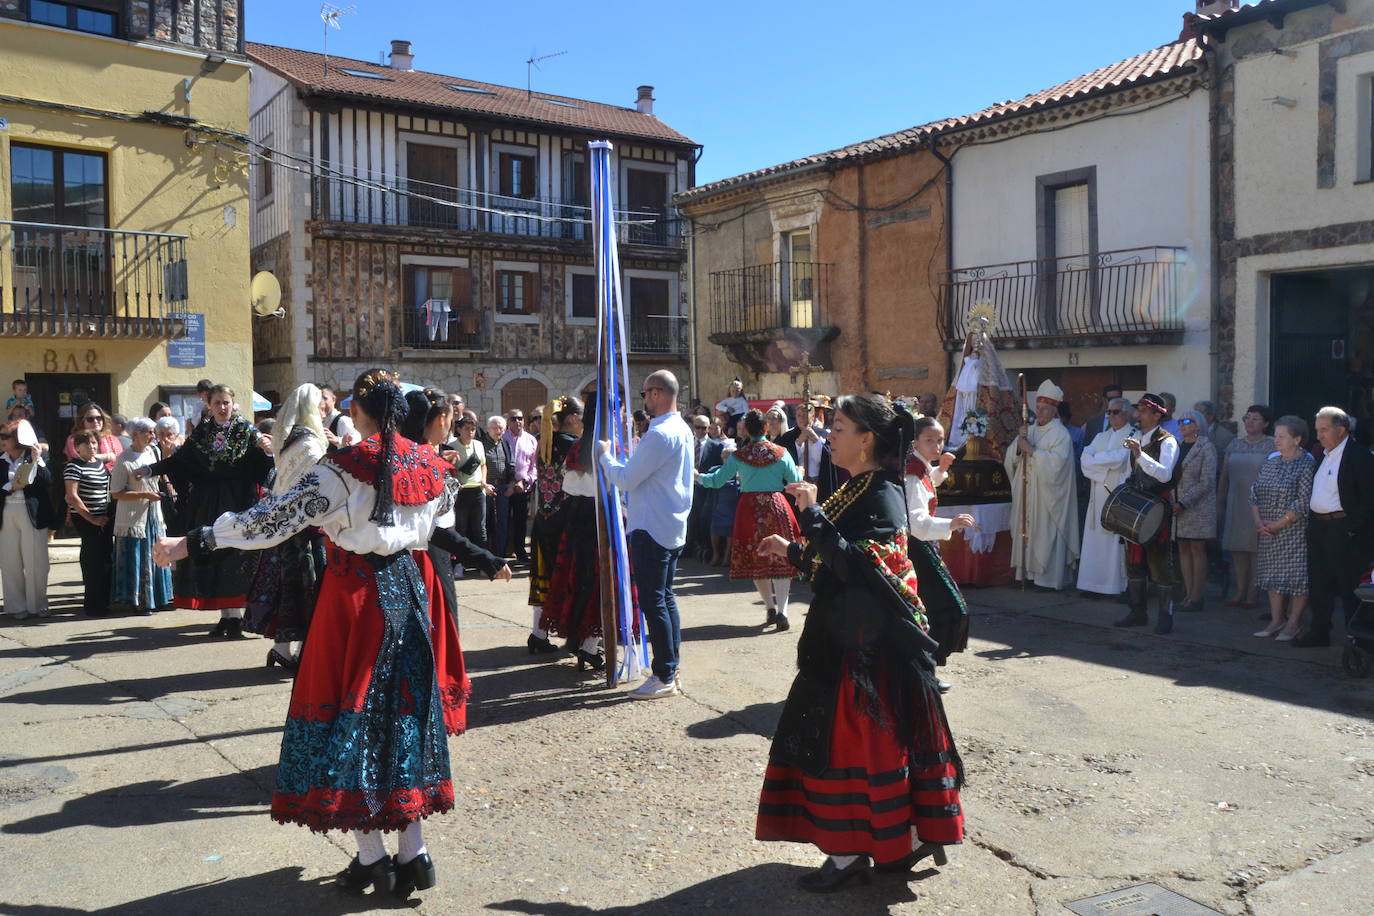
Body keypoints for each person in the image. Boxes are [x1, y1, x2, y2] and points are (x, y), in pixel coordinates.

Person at [154, 368, 488, 900]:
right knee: (402, 716)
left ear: (357, 411)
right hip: (409, 592)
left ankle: (373, 857)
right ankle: (414, 852)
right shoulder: (429, 462)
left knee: (346, 719)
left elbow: (271, 520)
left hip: (354, 598)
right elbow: (438, 521)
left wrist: (193, 540)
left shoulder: (343, 469)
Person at [755, 393, 962, 891]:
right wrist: (795, 549)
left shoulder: (883, 492)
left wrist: (812, 518)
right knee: (855, 749)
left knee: (855, 751)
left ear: (867, 439)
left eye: (841, 426)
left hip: (865, 654)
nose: (831, 433)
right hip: (844, 640)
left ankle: (856, 853)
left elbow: (863, 568)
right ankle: (901, 840)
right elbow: (834, 565)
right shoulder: (860, 485)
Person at [141, 384, 273, 637]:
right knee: (214, 558)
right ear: (209, 406)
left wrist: (269, 454)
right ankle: (227, 617)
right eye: (217, 403)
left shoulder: (247, 431)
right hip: (209, 501)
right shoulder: (204, 432)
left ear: (233, 404)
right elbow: (182, 460)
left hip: (239, 501)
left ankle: (236, 618)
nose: (222, 408)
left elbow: (263, 463)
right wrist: (151, 470)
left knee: (236, 557)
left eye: (226, 402)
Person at [598, 370, 693, 698]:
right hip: (670, 523)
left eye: (644, 394)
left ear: (657, 394)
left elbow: (625, 480)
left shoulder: (660, 433)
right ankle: (671, 667)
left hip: (652, 526)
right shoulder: (681, 428)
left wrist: (605, 456)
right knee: (665, 598)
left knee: (656, 602)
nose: (643, 400)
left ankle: (665, 673)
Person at [244, 384, 329, 669]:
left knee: (292, 588)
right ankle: (302, 652)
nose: (323, 410)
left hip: (290, 526)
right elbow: (317, 485)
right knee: (310, 589)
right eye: (319, 405)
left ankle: (284, 649)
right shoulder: (308, 443)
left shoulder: (292, 439)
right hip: (307, 527)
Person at [697, 409, 803, 631]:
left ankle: (770, 607)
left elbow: (716, 481)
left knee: (757, 559)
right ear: (766, 428)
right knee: (782, 556)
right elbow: (796, 481)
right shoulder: (781, 452)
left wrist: (697, 476)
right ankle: (782, 611)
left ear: (745, 429)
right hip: (776, 505)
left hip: (749, 509)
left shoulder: (739, 456)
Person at [1294, 406, 1374, 647]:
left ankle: (1358, 640)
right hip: (1320, 528)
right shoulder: (1322, 454)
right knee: (1319, 583)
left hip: (1344, 530)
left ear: (1341, 430)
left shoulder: (1359, 456)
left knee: (1349, 587)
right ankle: (1319, 632)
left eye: (1324, 430)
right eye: (1317, 430)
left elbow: (1369, 498)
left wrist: (1352, 529)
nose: (1318, 435)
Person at [904, 414, 974, 686]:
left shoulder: (919, 468)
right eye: (929, 440)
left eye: (940, 440)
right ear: (915, 443)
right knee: (944, 608)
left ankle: (925, 669)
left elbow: (927, 482)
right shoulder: (913, 473)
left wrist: (941, 469)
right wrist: (952, 523)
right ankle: (925, 668)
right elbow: (917, 522)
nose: (936, 446)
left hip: (923, 547)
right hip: (917, 549)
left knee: (932, 609)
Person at [542, 391, 611, 670]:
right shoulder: (604, 447)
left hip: (578, 519)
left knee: (580, 578)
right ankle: (589, 645)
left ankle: (585, 641)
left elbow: (569, 486)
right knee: (598, 581)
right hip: (599, 520)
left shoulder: (579, 446)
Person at [1114, 394, 1182, 634]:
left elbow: (1164, 475)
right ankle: (1137, 612)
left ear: (1157, 415)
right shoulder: (1137, 437)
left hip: (1156, 506)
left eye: (1143, 411)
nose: (1137, 415)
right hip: (1136, 503)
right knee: (1133, 560)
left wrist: (1139, 454)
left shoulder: (1168, 441)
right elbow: (1131, 471)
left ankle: (1165, 616)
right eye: (1138, 410)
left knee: (1160, 561)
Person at [1005, 379, 1079, 590]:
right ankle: (1024, 574)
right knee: (1025, 530)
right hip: (1026, 490)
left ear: (1054, 410)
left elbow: (1059, 465)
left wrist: (1033, 452)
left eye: (1045, 409)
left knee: (1045, 531)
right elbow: (1012, 458)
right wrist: (1019, 447)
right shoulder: (1029, 430)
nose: (1040, 412)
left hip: (1047, 496)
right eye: (1038, 408)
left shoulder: (1060, 434)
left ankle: (1047, 579)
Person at [1249, 416, 1315, 640]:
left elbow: (1303, 500)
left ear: (1296, 439)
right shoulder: (1272, 459)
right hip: (1267, 529)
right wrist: (1259, 522)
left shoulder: (1307, 462)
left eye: (1281, 436)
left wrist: (1279, 523)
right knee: (1271, 574)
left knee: (1297, 577)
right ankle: (1276, 621)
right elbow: (1254, 491)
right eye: (1275, 436)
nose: (1276, 440)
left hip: (1293, 531)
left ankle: (1294, 623)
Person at [528, 397, 582, 653]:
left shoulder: (544, 443)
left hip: (543, 520)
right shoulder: (575, 446)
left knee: (544, 579)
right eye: (581, 415)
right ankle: (576, 635)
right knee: (568, 580)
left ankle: (538, 635)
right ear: (572, 418)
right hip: (566, 523)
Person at [109, 417, 173, 616]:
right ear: (135, 434)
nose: (152, 436)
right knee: (138, 558)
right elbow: (116, 492)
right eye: (149, 432)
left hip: (153, 515)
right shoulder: (124, 459)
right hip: (134, 517)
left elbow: (161, 475)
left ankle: (161, 598)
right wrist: (144, 495)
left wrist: (168, 485)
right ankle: (140, 601)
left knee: (158, 554)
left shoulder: (153, 452)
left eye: (154, 432)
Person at [1218, 405, 1276, 609]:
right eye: (1247, 417)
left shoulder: (1272, 445)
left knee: (1256, 549)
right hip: (1236, 501)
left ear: (1266, 423)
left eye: (1256, 419)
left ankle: (1253, 594)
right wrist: (1221, 500)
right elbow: (1224, 475)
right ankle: (1239, 590)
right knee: (1237, 548)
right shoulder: (1234, 444)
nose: (1250, 422)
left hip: (1260, 505)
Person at [1077, 397, 1133, 597]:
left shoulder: (1133, 435)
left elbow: (1122, 459)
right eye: (1109, 412)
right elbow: (1084, 460)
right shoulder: (1100, 436)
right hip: (1097, 495)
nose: (1111, 416)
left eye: (1116, 412)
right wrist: (1105, 462)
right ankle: (1094, 585)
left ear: (1127, 414)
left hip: (1118, 496)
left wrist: (1098, 462)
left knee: (1115, 541)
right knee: (1096, 541)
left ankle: (1117, 587)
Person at [0, 418, 54, 620]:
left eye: (5, 436)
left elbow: (49, 480)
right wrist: (10, 487)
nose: (1, 440)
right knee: (9, 561)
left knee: (36, 562)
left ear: (17, 439)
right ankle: (16, 607)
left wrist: (38, 459)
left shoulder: (33, 456)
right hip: (6, 512)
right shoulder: (0, 459)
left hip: (32, 513)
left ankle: (38, 605)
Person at [64, 429, 115, 618]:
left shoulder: (100, 464)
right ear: (77, 447)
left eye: (94, 443)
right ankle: (93, 606)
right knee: (92, 560)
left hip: (103, 517)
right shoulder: (74, 466)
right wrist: (92, 519)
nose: (91, 447)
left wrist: (104, 517)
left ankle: (105, 602)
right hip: (85, 518)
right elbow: (72, 496)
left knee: (105, 559)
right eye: (86, 444)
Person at [1172, 410, 1218, 613]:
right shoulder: (1177, 446)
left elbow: (1207, 481)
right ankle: (1187, 594)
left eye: (1187, 421)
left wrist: (1184, 502)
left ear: (1197, 425)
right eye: (1180, 421)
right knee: (1182, 548)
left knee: (1197, 548)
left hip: (1197, 507)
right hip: (1176, 507)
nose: (1182, 424)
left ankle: (1197, 596)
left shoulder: (1206, 447)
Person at [446, 412, 491, 554]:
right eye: (467, 429)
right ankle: (460, 562)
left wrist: (483, 481)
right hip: (461, 492)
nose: (470, 432)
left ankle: (483, 561)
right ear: (459, 429)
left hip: (478, 491)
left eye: (472, 429)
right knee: (461, 528)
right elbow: (447, 469)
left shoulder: (479, 445)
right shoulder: (451, 446)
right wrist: (456, 485)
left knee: (480, 528)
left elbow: (483, 465)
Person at [503, 409, 537, 563]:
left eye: (520, 418)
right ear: (508, 421)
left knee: (520, 520)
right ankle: (503, 550)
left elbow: (534, 465)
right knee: (503, 520)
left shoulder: (531, 440)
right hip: (504, 486)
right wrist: (510, 482)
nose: (517, 421)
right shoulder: (502, 438)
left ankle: (520, 550)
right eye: (513, 419)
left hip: (523, 487)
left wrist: (524, 481)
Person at [684, 413, 716, 560]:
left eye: (703, 428)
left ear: (708, 428)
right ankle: (688, 547)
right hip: (687, 487)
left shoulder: (716, 446)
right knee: (688, 518)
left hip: (705, 488)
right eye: (697, 427)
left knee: (704, 518)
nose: (700, 431)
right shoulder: (686, 443)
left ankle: (704, 548)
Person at [484, 415, 512, 561]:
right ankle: (488, 555)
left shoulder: (505, 443)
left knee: (502, 521)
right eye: (494, 427)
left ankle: (500, 555)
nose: (498, 430)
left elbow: (511, 464)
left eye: (501, 427)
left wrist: (511, 484)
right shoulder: (482, 444)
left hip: (502, 486)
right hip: (486, 487)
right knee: (487, 522)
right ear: (488, 429)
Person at [65, 402, 122, 473]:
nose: (95, 421)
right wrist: (108, 457)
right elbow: (78, 457)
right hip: (85, 479)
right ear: (82, 422)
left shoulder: (112, 439)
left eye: (98, 418)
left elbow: (120, 459)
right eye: (90, 419)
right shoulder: (74, 439)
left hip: (111, 480)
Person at [319, 384, 361, 451]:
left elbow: (357, 444)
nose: (321, 403)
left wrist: (338, 441)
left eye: (324, 398)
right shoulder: (318, 422)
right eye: (318, 399)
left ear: (333, 399)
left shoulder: (343, 421)